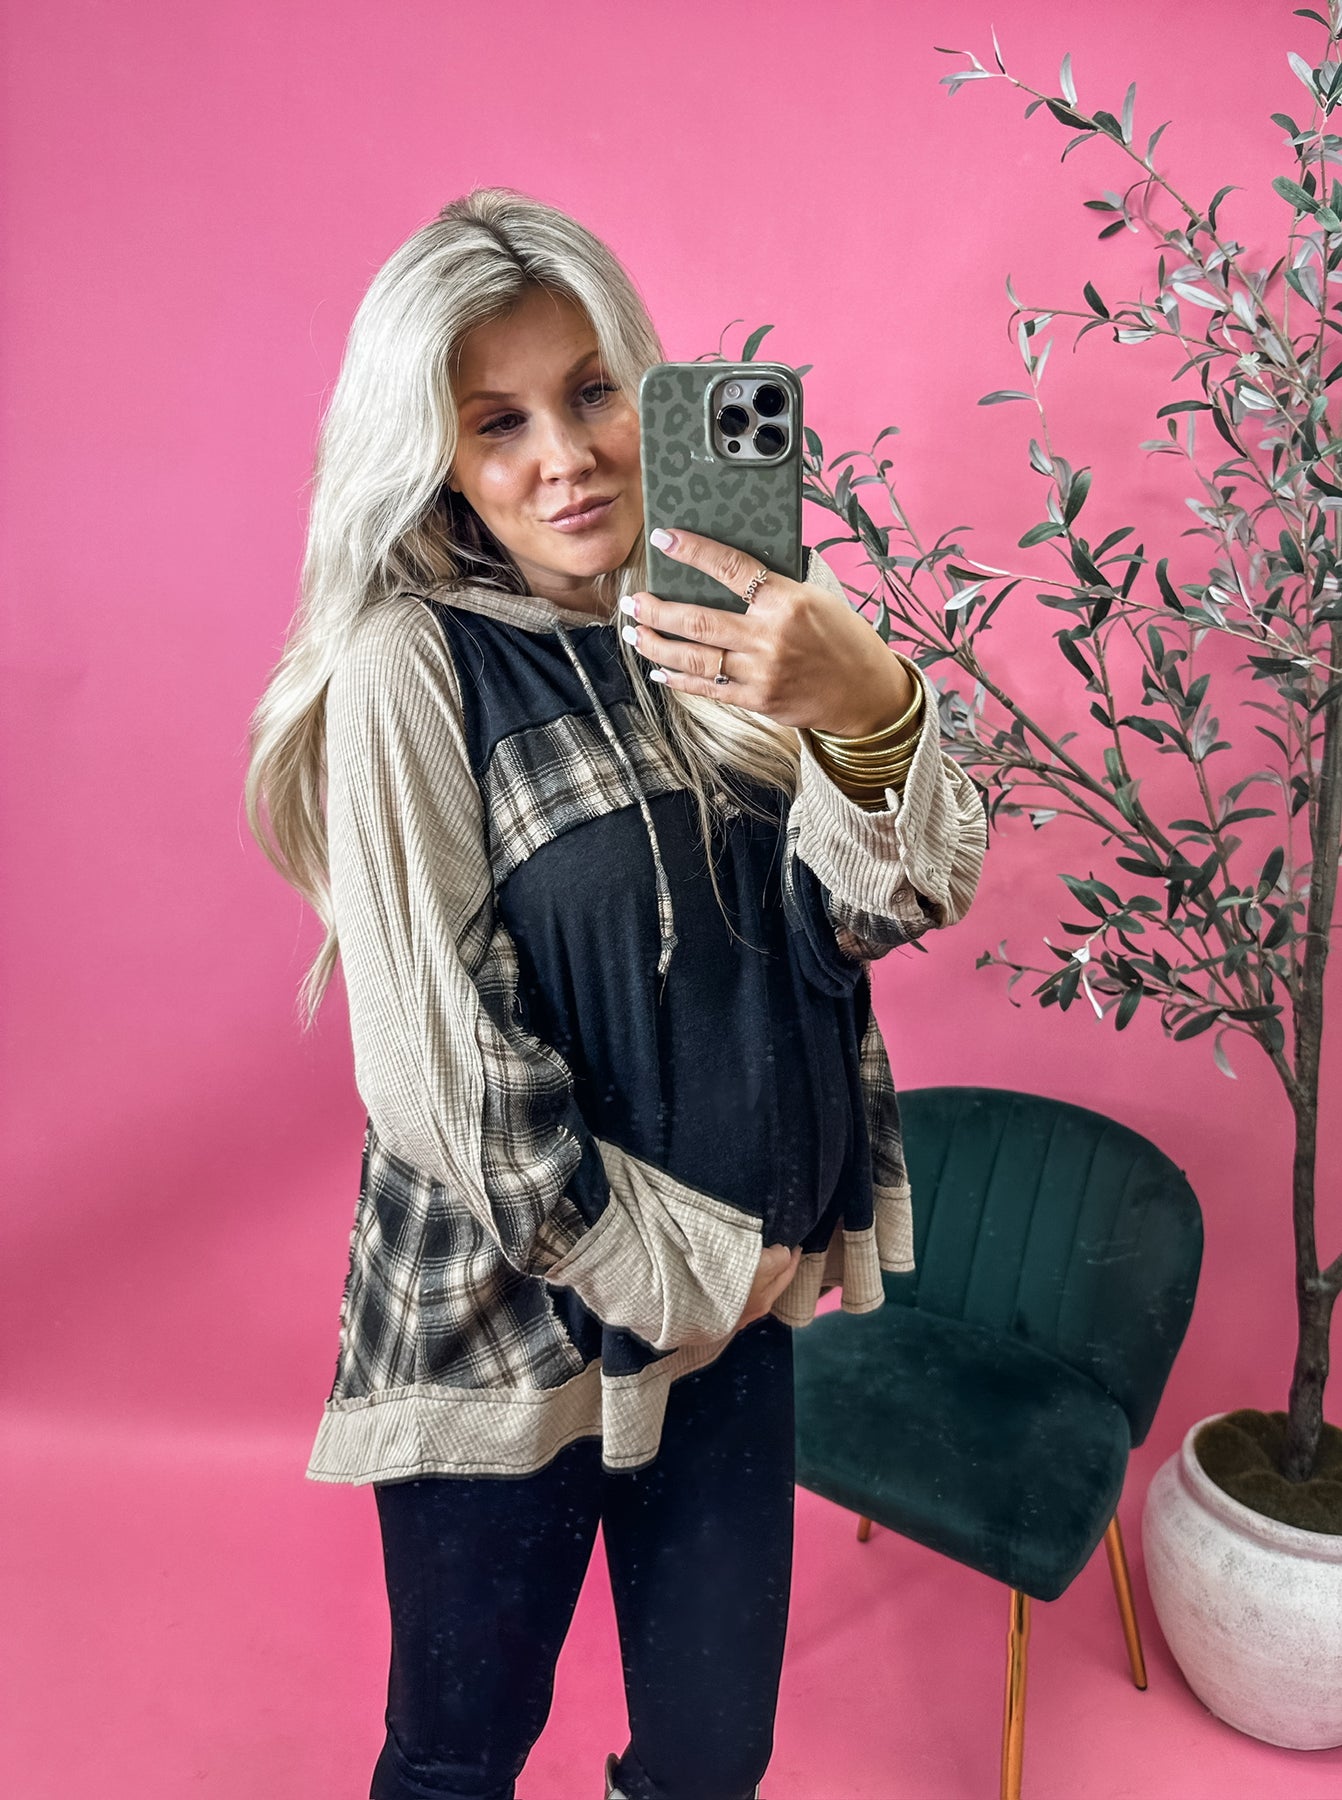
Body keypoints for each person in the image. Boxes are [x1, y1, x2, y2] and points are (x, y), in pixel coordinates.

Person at [245, 186, 987, 1800]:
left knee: (714, 1756)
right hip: (514, 1318)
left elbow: (881, 907)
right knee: (457, 1757)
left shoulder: (733, 624)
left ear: (646, 385)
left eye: (589, 391)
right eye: (496, 420)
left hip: (732, 1322)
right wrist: (683, 1272)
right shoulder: (413, 662)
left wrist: (865, 701)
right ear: (436, 455)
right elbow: (436, 1062)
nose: (565, 456)